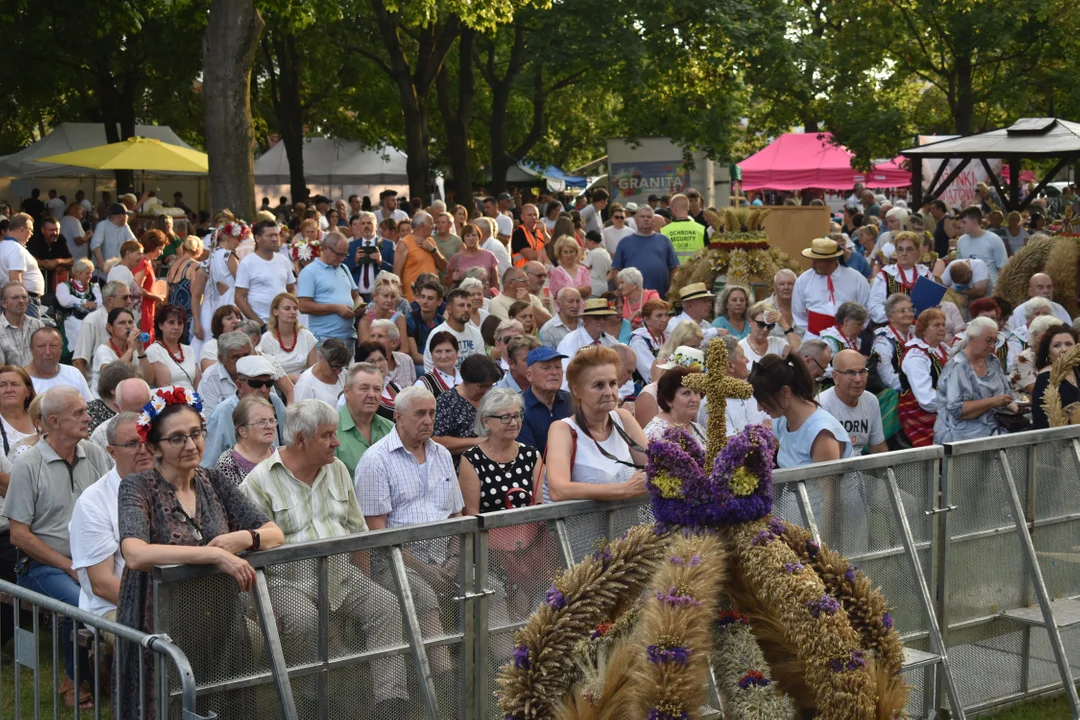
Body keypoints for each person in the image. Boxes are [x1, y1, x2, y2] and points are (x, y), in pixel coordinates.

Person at [115, 386, 284, 717]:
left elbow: (274, 532)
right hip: (160, 618)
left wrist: (243, 539)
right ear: (154, 447)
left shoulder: (213, 481)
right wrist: (212, 554)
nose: (191, 445)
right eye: (177, 438)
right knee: (165, 699)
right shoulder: (137, 487)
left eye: (196, 434)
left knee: (223, 697)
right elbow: (135, 553)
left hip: (218, 615)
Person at [239, 398, 410, 716]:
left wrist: (366, 583)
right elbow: (248, 556)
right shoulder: (258, 482)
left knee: (385, 605)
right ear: (301, 440)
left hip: (340, 574)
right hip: (282, 581)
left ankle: (391, 703)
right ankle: (311, 702)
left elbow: (358, 534)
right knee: (305, 620)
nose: (337, 441)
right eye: (328, 434)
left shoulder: (338, 470)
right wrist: (261, 604)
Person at [4, 387, 111, 708]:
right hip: (41, 565)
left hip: (92, 558)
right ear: (53, 421)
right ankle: (73, 679)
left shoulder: (91, 452)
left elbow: (108, 507)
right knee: (79, 603)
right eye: (78, 413)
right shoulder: (28, 463)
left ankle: (122, 671)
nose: (88, 417)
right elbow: (19, 536)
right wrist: (68, 566)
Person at [353, 385, 461, 690]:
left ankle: (493, 680)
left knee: (486, 588)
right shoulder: (376, 460)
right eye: (420, 414)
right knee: (424, 598)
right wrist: (424, 569)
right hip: (394, 561)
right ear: (399, 417)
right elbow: (379, 535)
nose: (428, 420)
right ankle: (447, 695)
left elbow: (457, 516)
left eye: (432, 413)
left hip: (445, 557)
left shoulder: (441, 454)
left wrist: (454, 557)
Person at [68, 412, 155, 630]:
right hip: (115, 606)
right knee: (166, 647)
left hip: (173, 600)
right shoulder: (93, 502)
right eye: (133, 444)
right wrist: (161, 608)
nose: (143, 449)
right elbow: (102, 585)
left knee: (249, 638)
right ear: (112, 452)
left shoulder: (171, 486)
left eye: (147, 440)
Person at [545, 346, 648, 502]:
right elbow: (558, 490)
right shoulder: (563, 429)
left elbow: (656, 467)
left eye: (613, 383)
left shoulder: (624, 418)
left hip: (631, 525)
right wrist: (623, 490)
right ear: (576, 391)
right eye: (598, 385)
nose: (608, 392)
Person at [749, 353, 855, 468]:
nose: (759, 408)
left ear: (785, 392)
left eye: (763, 399)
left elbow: (828, 486)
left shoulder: (822, 435)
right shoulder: (781, 420)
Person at [460, 388, 542, 515]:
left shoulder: (532, 456)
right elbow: (471, 516)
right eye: (505, 417)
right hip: (488, 534)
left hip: (531, 533)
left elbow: (541, 508)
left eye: (517, 416)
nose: (514, 423)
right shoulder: (472, 459)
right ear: (486, 421)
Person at [934, 316, 1016, 443]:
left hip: (995, 428)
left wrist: (1016, 406)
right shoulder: (958, 366)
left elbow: (1005, 394)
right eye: (988, 341)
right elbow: (957, 410)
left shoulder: (992, 361)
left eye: (994, 341)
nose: (992, 346)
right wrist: (992, 402)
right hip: (961, 435)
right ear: (972, 339)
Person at [201, 355, 287, 469]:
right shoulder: (223, 412)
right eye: (256, 384)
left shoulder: (274, 401)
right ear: (239, 385)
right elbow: (208, 464)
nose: (264, 389)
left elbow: (286, 443)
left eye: (269, 383)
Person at [292, 230, 361, 352]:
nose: (342, 259)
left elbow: (356, 296)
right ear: (325, 248)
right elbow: (303, 306)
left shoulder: (343, 268)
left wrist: (358, 306)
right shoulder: (309, 272)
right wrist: (336, 308)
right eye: (338, 254)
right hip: (325, 339)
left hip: (348, 336)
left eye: (345, 255)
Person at [792, 237, 871, 339]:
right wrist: (813, 332)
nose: (813, 265)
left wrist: (852, 332)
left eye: (817, 261)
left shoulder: (856, 279)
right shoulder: (804, 280)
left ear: (831, 260)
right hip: (814, 339)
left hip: (847, 340)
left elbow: (866, 309)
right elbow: (798, 311)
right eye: (812, 260)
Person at [432, 354, 499, 461]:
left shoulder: (492, 399)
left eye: (490, 386)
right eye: (482, 386)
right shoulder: (447, 401)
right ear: (466, 380)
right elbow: (436, 440)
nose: (487, 391)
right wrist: (478, 442)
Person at [819, 350, 887, 455]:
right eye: (850, 373)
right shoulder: (821, 405)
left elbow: (878, 448)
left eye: (862, 372)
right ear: (835, 377)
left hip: (861, 468)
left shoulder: (871, 401)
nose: (858, 379)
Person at [335, 363, 395, 476]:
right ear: (347, 392)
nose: (372, 395)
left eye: (377, 389)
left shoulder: (390, 429)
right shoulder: (331, 431)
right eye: (364, 388)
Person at [610, 206, 680, 299]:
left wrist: (671, 289)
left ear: (653, 220)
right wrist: (621, 291)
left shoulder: (664, 240)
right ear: (636, 220)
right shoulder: (624, 243)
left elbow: (674, 268)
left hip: (660, 297)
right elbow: (616, 269)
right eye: (642, 216)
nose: (646, 219)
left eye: (649, 217)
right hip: (632, 298)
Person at [193, 221, 241, 356]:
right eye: (237, 239)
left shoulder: (209, 262)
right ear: (230, 237)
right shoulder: (227, 256)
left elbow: (196, 296)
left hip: (213, 309)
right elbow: (242, 283)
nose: (238, 243)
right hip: (224, 307)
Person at [235, 220, 297, 324]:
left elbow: (291, 290)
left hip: (284, 323)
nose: (274, 239)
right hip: (261, 324)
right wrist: (259, 323)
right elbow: (239, 297)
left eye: (276, 235)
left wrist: (289, 311)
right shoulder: (247, 263)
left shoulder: (283, 260)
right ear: (258, 238)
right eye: (269, 236)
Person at [867, 231, 932, 324]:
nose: (904, 253)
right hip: (893, 327)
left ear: (918, 253)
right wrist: (897, 314)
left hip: (921, 327)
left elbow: (932, 303)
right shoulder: (885, 275)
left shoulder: (926, 274)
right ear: (896, 252)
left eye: (909, 249)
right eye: (900, 249)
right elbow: (874, 308)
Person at [213, 395, 277, 485]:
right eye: (261, 422)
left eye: (271, 420)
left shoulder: (280, 456)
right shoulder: (228, 464)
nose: (270, 426)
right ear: (243, 431)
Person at [643, 366, 707, 449]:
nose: (694, 399)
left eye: (696, 392)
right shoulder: (657, 432)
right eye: (686, 393)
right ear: (669, 400)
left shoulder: (698, 428)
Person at [259, 292, 318, 381]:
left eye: (295, 308)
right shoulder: (266, 339)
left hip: (303, 386)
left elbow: (313, 372)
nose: (293, 312)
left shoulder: (307, 336)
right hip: (277, 389)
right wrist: (291, 378)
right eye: (287, 308)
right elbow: (267, 374)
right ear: (275, 312)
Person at [422, 288, 485, 372]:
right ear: (449, 309)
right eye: (461, 305)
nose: (466, 309)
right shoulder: (437, 333)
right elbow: (429, 367)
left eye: (469, 306)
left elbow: (482, 365)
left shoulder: (476, 333)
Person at [92, 307, 152, 392]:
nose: (128, 326)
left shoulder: (134, 348)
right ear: (109, 327)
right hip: (104, 401)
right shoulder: (103, 351)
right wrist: (130, 350)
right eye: (122, 323)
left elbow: (149, 380)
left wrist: (141, 351)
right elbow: (111, 379)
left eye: (130, 322)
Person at [197, 330, 257, 415]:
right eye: (235, 357)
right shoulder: (210, 378)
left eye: (246, 355)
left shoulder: (259, 372)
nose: (242, 361)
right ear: (221, 359)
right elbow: (208, 419)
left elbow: (273, 406)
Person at [1031, 325, 1080, 429]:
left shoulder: (1077, 370)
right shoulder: (1045, 378)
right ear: (1048, 352)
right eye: (1057, 345)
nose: (1064, 349)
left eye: (1068, 344)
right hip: (1059, 439)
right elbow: (1040, 423)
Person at [557, 297, 619, 378]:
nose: (602, 321)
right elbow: (565, 375)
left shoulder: (612, 343)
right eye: (597, 317)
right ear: (585, 319)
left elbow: (621, 372)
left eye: (605, 317)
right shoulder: (569, 342)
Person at [28, 327, 94, 401]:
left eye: (53, 346)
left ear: (61, 348)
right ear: (31, 348)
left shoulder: (74, 374)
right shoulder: (22, 379)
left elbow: (91, 407)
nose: (48, 352)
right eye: (41, 346)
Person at [393, 211, 448, 301]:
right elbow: (396, 273)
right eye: (431, 223)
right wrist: (399, 297)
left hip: (432, 296)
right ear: (422, 225)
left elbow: (444, 267)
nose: (434, 226)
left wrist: (432, 250)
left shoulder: (431, 241)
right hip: (412, 297)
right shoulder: (405, 243)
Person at [146, 305, 200, 392]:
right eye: (171, 322)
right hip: (172, 401)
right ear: (160, 325)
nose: (176, 327)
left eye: (180, 323)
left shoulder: (189, 349)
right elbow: (164, 387)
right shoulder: (154, 350)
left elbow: (198, 384)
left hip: (194, 400)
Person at [56, 258, 102, 355]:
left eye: (91, 273)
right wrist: (84, 302)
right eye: (87, 273)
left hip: (91, 319)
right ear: (77, 273)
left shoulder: (94, 287)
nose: (90, 276)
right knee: (78, 328)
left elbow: (100, 303)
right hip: (72, 320)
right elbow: (64, 301)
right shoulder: (64, 286)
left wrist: (92, 305)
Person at [955, 206, 1008, 288]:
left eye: (964, 222)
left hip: (990, 293)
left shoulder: (994, 240)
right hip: (968, 291)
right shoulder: (961, 241)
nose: (961, 225)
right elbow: (959, 266)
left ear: (974, 222)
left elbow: (1003, 269)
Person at [164, 234, 203, 344]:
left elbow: (167, 292)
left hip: (171, 315)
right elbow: (195, 294)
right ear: (197, 249)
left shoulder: (173, 265)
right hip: (187, 317)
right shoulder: (195, 266)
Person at [1010, 315, 1062, 395]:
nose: (1052, 339)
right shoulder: (1023, 358)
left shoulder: (1057, 356)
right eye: (1047, 335)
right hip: (1028, 405)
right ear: (1035, 334)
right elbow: (1039, 391)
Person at [132, 230, 168, 337]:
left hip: (146, 307)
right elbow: (136, 288)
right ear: (153, 246)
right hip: (142, 308)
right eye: (160, 249)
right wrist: (156, 297)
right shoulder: (143, 263)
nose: (161, 253)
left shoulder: (146, 262)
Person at [294, 338, 350, 406]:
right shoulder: (306, 384)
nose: (338, 372)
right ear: (321, 357)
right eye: (334, 367)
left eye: (341, 367)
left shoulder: (345, 375)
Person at [0, 281, 44, 368]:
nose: (21, 301)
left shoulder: (38, 325)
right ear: (4, 303)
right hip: (11, 380)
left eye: (24, 297)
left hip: (40, 378)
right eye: (15, 297)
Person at [1008, 273, 1072, 330]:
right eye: (1040, 287)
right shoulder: (1018, 313)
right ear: (1030, 291)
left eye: (1049, 287)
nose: (1046, 291)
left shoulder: (1060, 310)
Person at [628, 298, 671, 384]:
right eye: (659, 316)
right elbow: (650, 374)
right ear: (646, 319)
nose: (665, 319)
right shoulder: (639, 341)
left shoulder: (668, 336)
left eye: (666, 315)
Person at [446, 222, 498, 290]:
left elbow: (495, 283)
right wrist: (452, 278)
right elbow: (446, 283)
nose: (471, 238)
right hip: (463, 297)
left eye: (474, 235)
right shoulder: (456, 258)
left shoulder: (489, 256)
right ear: (463, 239)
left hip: (485, 297)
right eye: (467, 236)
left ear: (479, 237)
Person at [738, 300, 791, 367]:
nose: (765, 329)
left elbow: (800, 356)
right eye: (761, 324)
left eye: (770, 326)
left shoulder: (778, 343)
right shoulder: (740, 348)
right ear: (750, 321)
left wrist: (784, 324)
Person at [27, 215, 73, 290]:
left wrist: (58, 261)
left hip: (52, 281)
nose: (54, 233)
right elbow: (29, 259)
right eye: (51, 230)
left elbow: (71, 260)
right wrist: (46, 264)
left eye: (56, 230)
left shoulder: (61, 239)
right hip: (34, 279)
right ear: (43, 230)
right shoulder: (34, 239)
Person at [413, 330, 462, 400]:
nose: (443, 356)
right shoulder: (423, 384)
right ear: (431, 355)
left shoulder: (466, 379)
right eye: (438, 351)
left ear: (457, 354)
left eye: (448, 351)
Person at [406, 280, 444, 366]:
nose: (424, 301)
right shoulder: (409, 319)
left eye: (430, 298)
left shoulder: (442, 322)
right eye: (422, 297)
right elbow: (414, 356)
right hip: (416, 365)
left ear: (439, 302)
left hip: (437, 363)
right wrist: (438, 362)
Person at [661, 193, 707, 265]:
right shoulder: (701, 229)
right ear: (688, 208)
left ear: (673, 209)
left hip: (674, 273)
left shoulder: (664, 231)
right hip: (696, 272)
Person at [344, 211, 382, 297]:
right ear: (359, 227)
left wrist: (380, 262)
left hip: (380, 296)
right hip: (356, 296)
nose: (366, 226)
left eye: (369, 223)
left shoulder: (387, 245)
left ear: (376, 226)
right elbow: (343, 270)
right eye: (363, 223)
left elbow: (395, 270)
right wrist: (355, 261)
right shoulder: (351, 246)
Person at [90, 203, 136, 275]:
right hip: (102, 274)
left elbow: (134, 243)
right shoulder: (102, 225)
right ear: (120, 216)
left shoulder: (125, 226)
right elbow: (95, 245)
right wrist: (101, 262)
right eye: (126, 215)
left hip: (119, 271)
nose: (127, 217)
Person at [0, 364, 36, 455]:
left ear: (28, 391)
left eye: (14, 384)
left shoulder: (41, 417)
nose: (9, 389)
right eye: (2, 385)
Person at [198, 304, 243, 372]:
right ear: (219, 325)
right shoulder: (211, 346)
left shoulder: (249, 343)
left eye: (238, 317)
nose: (236, 321)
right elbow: (210, 373)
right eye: (229, 318)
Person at [549, 234, 592, 302]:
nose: (569, 255)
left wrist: (569, 290)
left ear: (576, 252)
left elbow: (587, 290)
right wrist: (580, 290)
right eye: (565, 252)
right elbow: (560, 294)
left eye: (571, 251)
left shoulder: (583, 269)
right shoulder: (556, 272)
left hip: (582, 309)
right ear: (559, 253)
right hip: (564, 310)